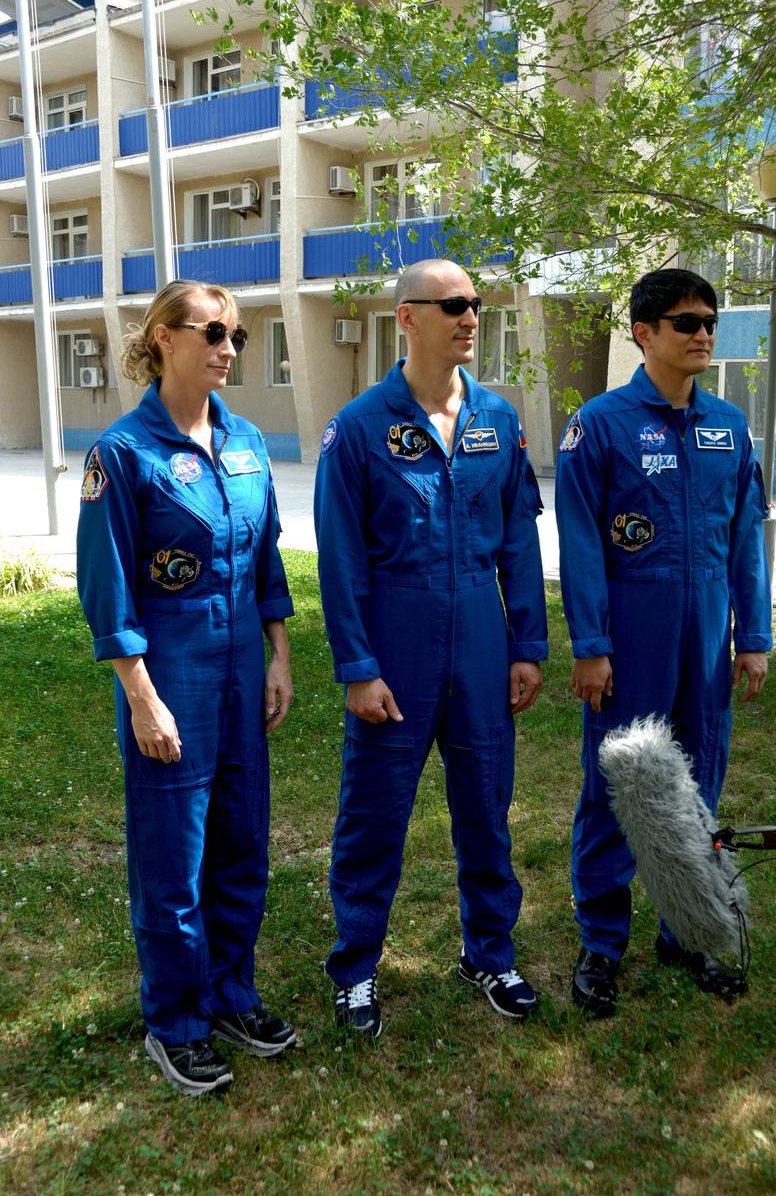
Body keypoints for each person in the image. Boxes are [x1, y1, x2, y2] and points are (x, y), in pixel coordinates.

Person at [313, 258, 548, 1037]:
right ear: (407, 318)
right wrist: (357, 667)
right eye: (452, 304)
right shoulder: (359, 427)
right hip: (398, 638)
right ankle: (354, 969)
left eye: (476, 303)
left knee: (486, 806)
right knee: (375, 817)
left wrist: (526, 644)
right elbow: (341, 562)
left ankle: (489, 951)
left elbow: (517, 539)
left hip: (481, 637)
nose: (470, 316)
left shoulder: (498, 420)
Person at [77, 279, 296, 1095]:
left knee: (243, 840)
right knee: (174, 858)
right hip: (172, 669)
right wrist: (142, 694)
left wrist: (279, 654)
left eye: (234, 334)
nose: (228, 348)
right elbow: (107, 590)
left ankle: (232, 992)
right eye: (211, 331)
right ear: (163, 338)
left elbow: (267, 558)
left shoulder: (245, 443)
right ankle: (175, 1020)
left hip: (243, 662)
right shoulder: (123, 454)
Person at [555, 268, 772, 1018]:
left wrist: (756, 636)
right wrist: (590, 643)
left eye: (709, 320)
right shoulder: (602, 425)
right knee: (620, 786)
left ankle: (689, 931)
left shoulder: (730, 428)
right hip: (633, 636)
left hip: (707, 636)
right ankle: (601, 944)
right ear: (643, 333)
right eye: (685, 322)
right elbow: (581, 542)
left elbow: (746, 538)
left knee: (698, 781)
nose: (703, 333)